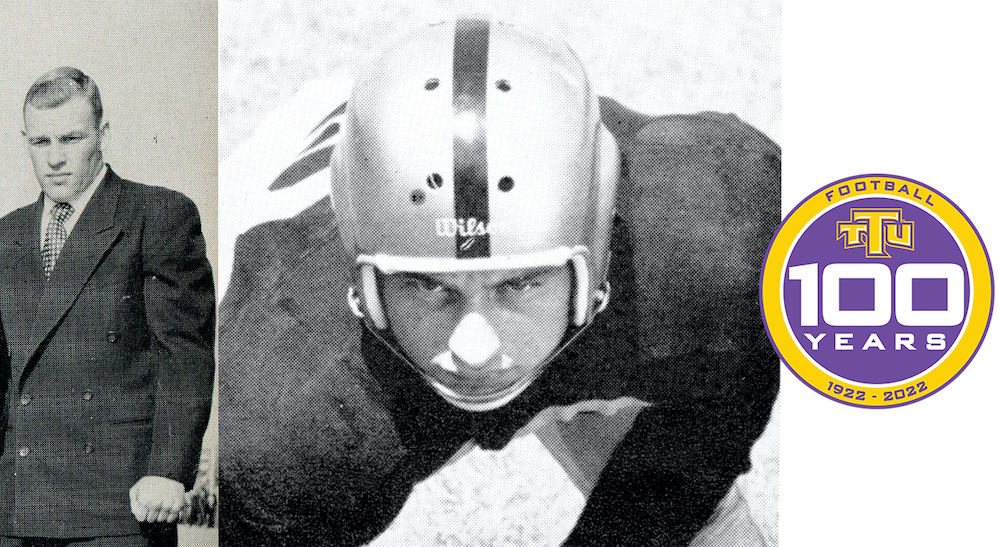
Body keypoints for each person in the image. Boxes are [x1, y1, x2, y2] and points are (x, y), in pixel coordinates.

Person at [218, 18, 779, 547]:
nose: (475, 349)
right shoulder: (290, 412)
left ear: (601, 254)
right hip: (336, 341)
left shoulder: (717, 252)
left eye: (520, 284)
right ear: (361, 287)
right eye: (428, 286)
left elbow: (703, 429)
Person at [0, 66, 216, 547]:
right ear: (26, 141)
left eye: (70, 139)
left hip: (120, 511)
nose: (54, 158)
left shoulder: (157, 215)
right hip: (21, 513)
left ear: (103, 134)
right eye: (40, 142)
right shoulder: (2, 237)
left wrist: (169, 471)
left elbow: (186, 356)